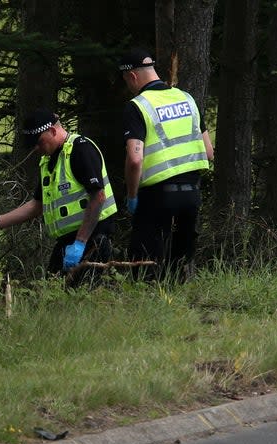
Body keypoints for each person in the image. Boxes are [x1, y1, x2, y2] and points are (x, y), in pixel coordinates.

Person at [0, 109, 118, 275]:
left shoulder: (80, 149)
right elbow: (37, 205)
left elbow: (98, 196)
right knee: (53, 291)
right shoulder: (48, 161)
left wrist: (80, 243)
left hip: (93, 238)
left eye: (39, 142)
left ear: (53, 131)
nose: (36, 148)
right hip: (67, 242)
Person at [119, 47, 214, 281]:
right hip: (191, 193)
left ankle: (146, 303)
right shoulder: (186, 98)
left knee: (144, 262)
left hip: (157, 195)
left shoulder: (138, 105)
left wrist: (132, 195)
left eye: (126, 81)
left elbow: (134, 158)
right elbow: (209, 152)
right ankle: (175, 300)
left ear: (132, 76)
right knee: (178, 260)